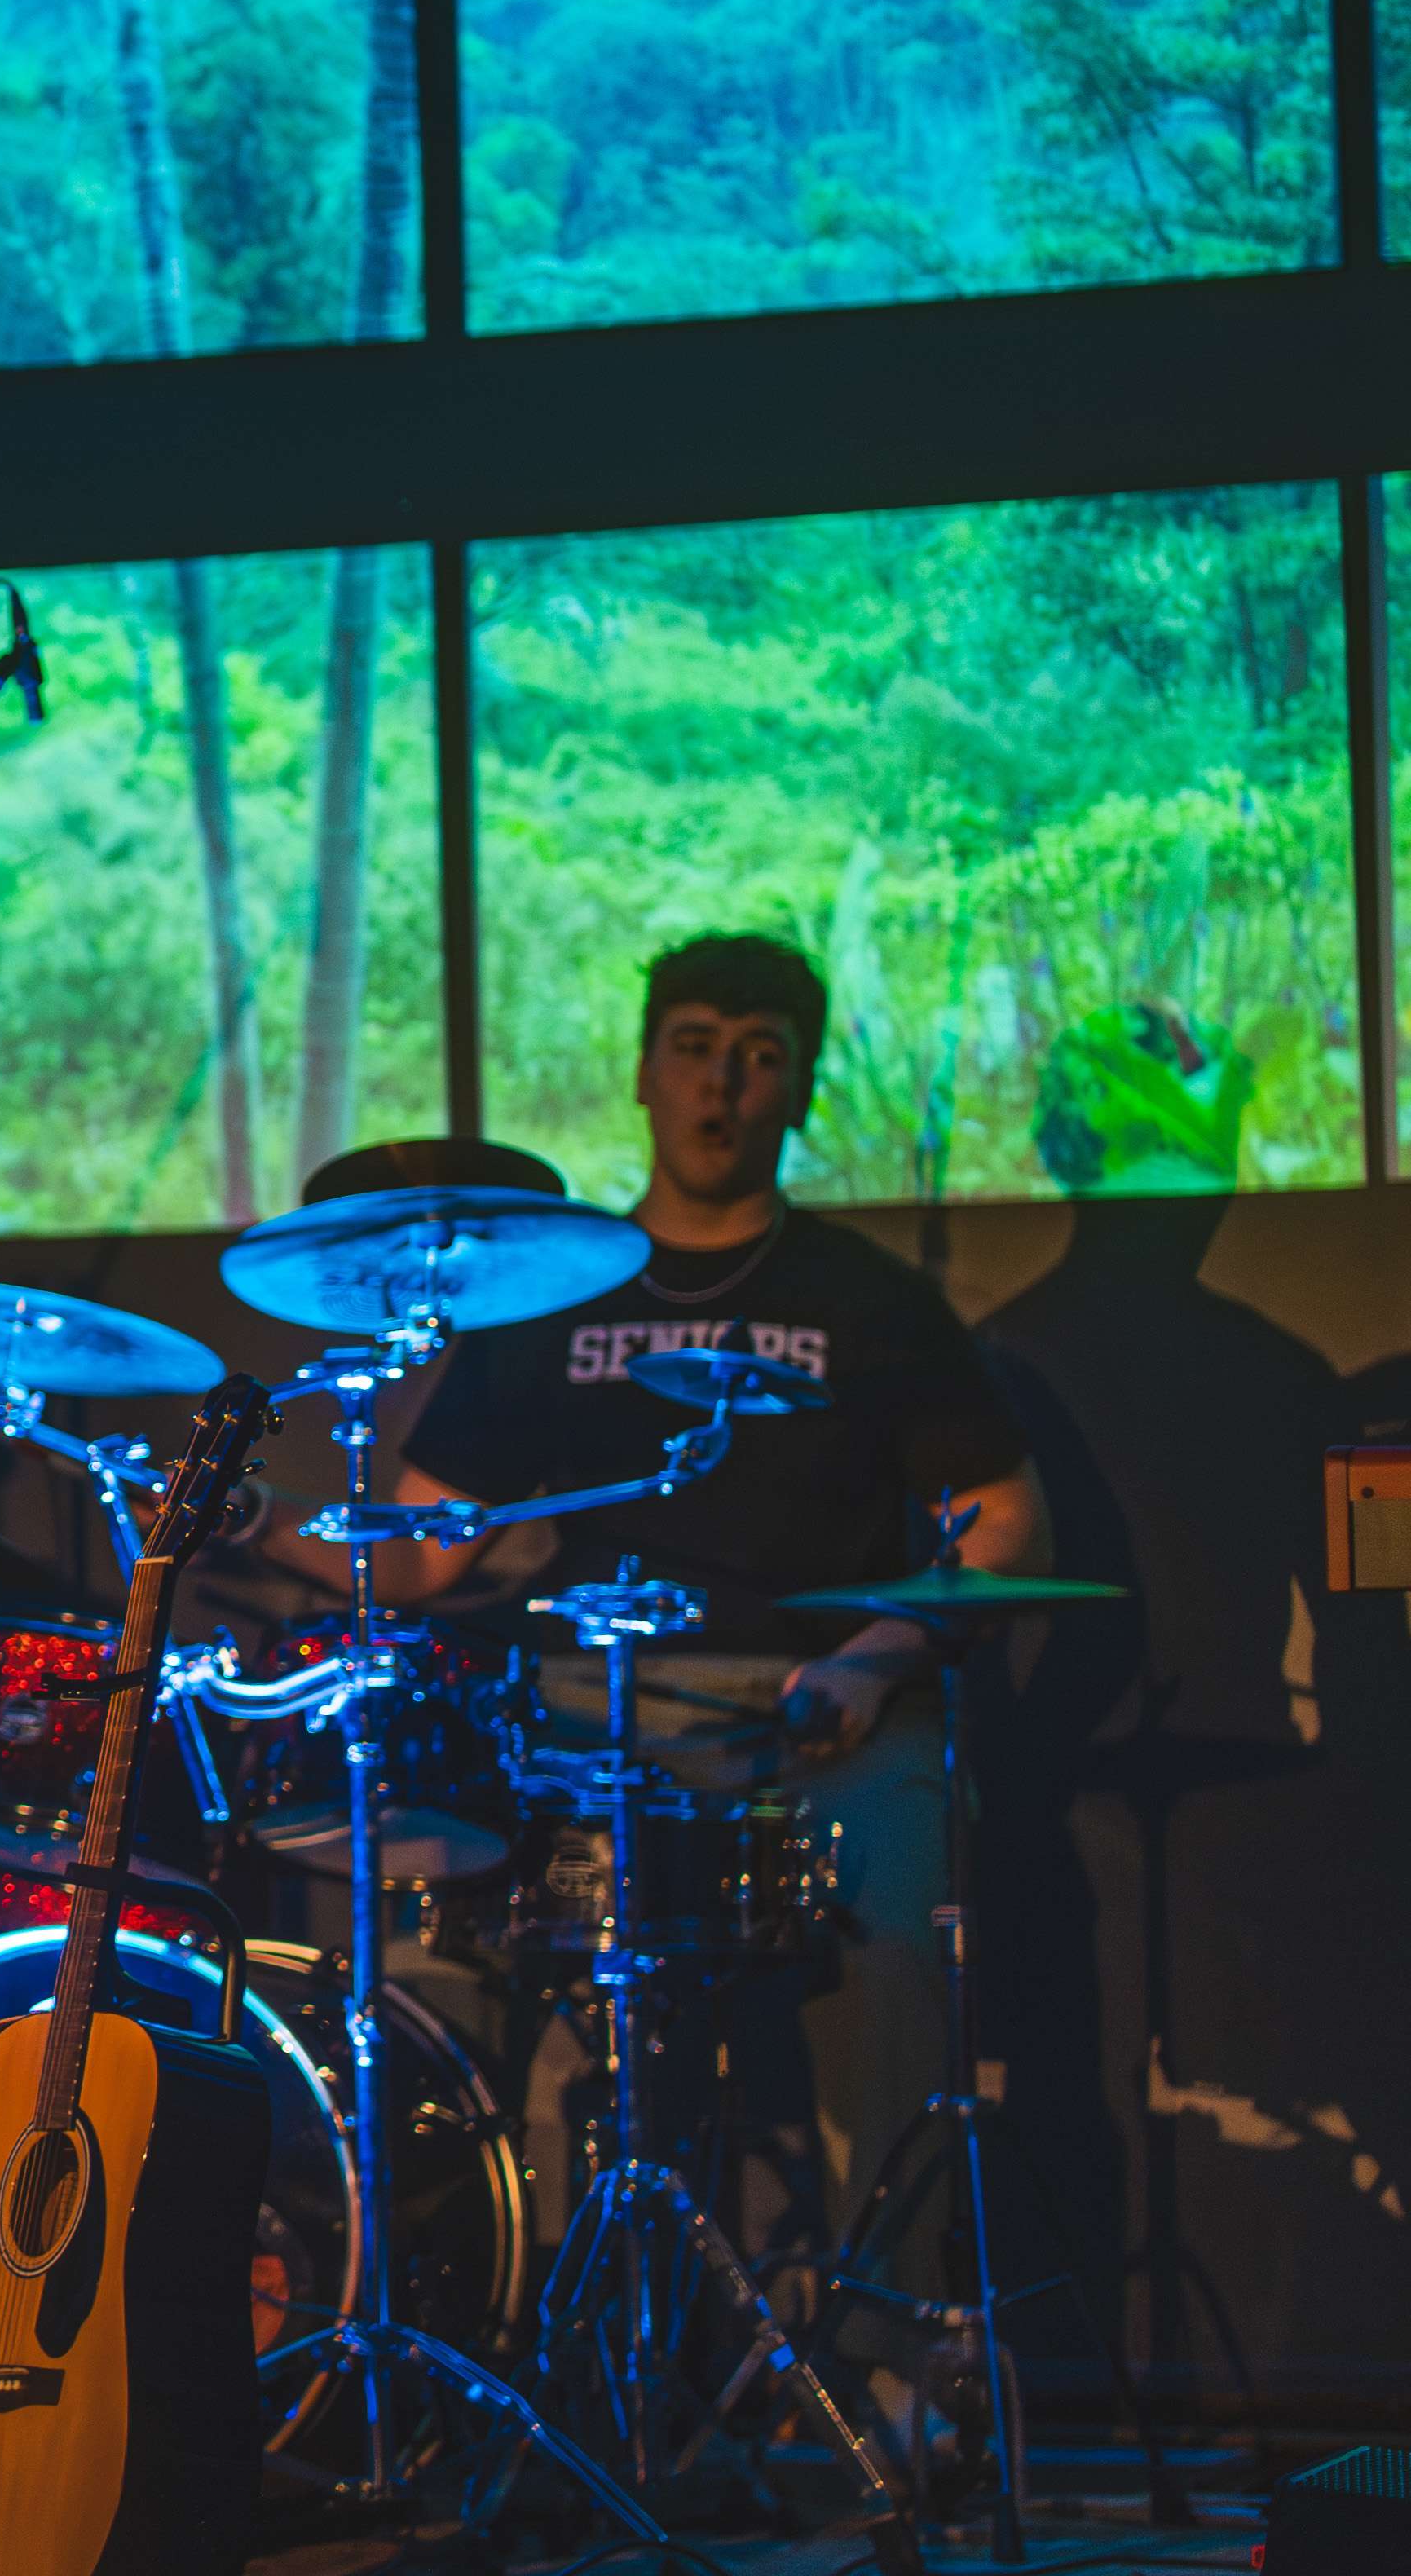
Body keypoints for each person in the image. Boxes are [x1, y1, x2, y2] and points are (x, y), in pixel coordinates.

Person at [364, 932, 1043, 2248]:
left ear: (798, 1090)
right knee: (463, 1924)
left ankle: (887, 2335)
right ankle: (553, 2318)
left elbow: (1007, 1520)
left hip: (822, 1709)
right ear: (643, 1074)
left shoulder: (870, 1299)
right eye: (693, 1050)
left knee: (905, 1944)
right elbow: (422, 1550)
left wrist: (876, 1659)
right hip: (593, 1711)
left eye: (758, 1056)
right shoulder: (559, 1298)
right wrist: (233, 1530)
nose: (721, 1083)